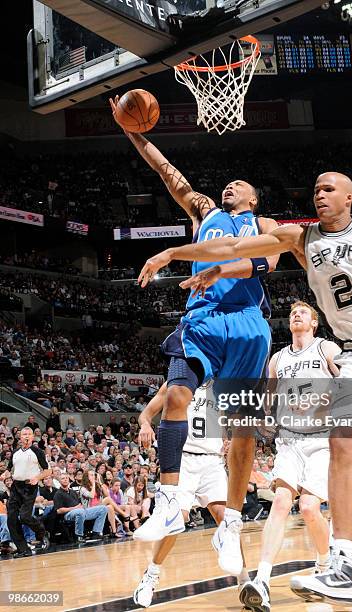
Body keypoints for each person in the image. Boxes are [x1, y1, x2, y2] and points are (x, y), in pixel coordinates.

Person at [139, 171, 352, 605]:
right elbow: (232, 248)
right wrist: (176, 251)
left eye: (328, 189)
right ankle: (343, 563)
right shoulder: (300, 239)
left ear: (349, 196)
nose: (319, 195)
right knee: (343, 443)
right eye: (315, 190)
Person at [111, 95, 279, 576]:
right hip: (202, 316)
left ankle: (232, 522)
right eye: (228, 183)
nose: (230, 186)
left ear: (252, 198)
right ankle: (167, 495)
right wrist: (132, 132)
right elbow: (168, 172)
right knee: (178, 393)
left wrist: (220, 267)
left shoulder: (264, 224)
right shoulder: (202, 210)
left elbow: (267, 262)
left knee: (243, 433)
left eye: (239, 184)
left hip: (246, 323)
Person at [240, 301, 340, 612]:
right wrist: (263, 416)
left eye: (303, 313)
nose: (296, 315)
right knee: (282, 501)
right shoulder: (278, 359)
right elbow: (268, 399)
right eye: (293, 313)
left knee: (310, 508)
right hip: (289, 440)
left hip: (322, 440)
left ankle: (325, 565)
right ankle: (263, 579)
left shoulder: (327, 349)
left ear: (314, 323)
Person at [133, 381, 250, 607]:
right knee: (177, 519)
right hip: (183, 459)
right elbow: (146, 414)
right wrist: (145, 425)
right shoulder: (180, 380)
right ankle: (151, 576)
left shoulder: (225, 384)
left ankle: (244, 581)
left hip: (213, 462)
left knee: (227, 519)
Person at [5, 427, 51, 557]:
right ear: (20, 437)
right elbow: (10, 469)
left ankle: (41, 531)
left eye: (28, 434)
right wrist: (4, 475)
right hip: (16, 486)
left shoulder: (38, 451)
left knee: (25, 517)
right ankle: (23, 549)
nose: (26, 436)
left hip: (29, 487)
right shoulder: (15, 452)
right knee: (12, 520)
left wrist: (37, 478)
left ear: (32, 437)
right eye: (24, 434)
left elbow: (48, 471)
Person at [53, 473, 108, 543]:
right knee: (80, 512)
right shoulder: (58, 494)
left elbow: (80, 503)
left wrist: (81, 506)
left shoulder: (73, 492)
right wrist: (74, 508)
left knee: (103, 508)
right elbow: (59, 510)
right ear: (59, 481)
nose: (65, 480)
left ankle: (96, 532)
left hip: (81, 510)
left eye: (66, 478)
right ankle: (78, 536)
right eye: (63, 478)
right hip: (68, 515)